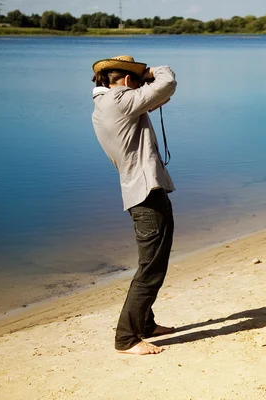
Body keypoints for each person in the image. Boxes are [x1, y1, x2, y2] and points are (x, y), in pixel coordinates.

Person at [91, 55, 177, 355]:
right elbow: (167, 84)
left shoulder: (105, 106)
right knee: (151, 269)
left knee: (150, 264)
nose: (143, 84)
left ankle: (146, 324)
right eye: (139, 80)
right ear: (127, 81)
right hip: (146, 196)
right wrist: (156, 71)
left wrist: (146, 85)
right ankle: (127, 338)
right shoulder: (120, 102)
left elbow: (156, 100)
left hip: (139, 192)